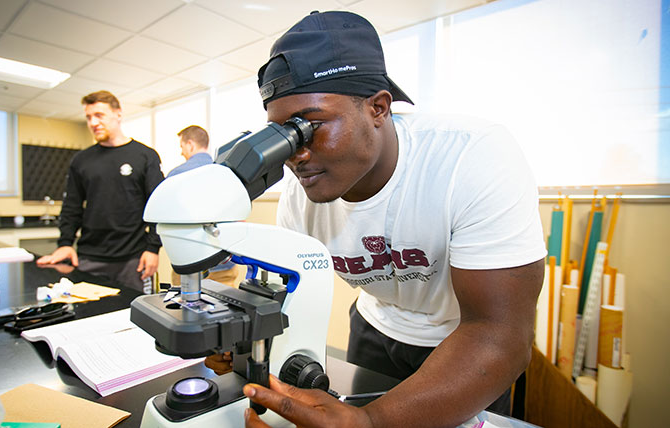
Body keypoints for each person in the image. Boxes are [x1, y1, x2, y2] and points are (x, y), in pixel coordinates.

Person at [234, 11, 546, 428]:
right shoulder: (298, 194)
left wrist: (370, 423)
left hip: (463, 342)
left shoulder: (473, 157)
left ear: (378, 108)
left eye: (311, 126)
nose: (295, 154)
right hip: (375, 327)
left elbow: (499, 334)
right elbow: (285, 302)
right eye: (282, 134)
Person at [36, 90, 164, 293]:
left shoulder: (144, 156)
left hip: (132, 260)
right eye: (88, 117)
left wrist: (153, 248)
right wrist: (65, 243)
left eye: (99, 115)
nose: (93, 122)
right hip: (89, 259)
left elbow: (159, 206)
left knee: (134, 318)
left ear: (118, 114)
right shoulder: (81, 161)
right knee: (88, 318)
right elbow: (72, 206)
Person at [167, 125, 240, 287]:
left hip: (189, 264)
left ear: (190, 144)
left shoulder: (176, 176)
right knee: (228, 309)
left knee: (183, 309)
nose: (181, 152)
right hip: (224, 261)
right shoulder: (229, 172)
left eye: (182, 147)